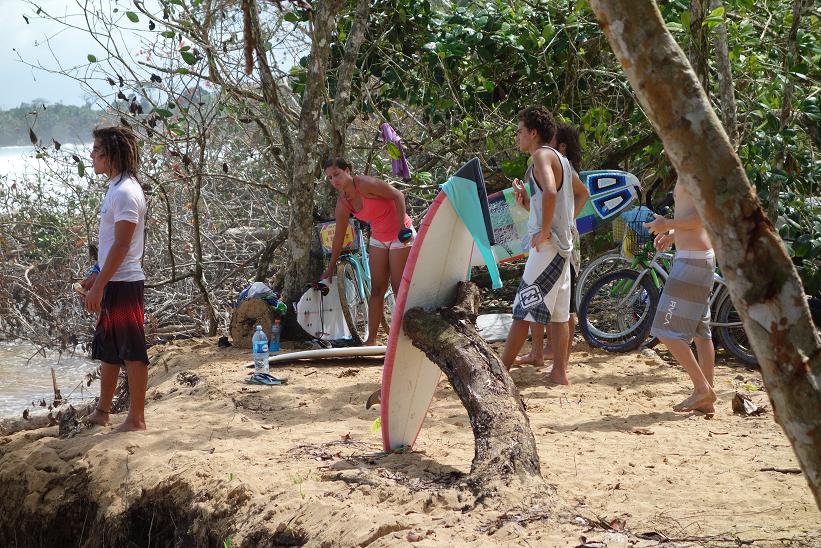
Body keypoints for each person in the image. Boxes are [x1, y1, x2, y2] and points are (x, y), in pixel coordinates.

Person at [500, 108, 589, 385]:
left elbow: (551, 192)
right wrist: (527, 204)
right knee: (560, 315)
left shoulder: (540, 155)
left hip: (550, 246)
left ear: (533, 133)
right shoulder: (561, 159)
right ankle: (559, 373)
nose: (517, 136)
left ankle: (500, 371)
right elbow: (580, 193)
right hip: (563, 245)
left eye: (519, 131)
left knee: (522, 307)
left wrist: (545, 230)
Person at [83, 126, 150, 432]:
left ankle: (136, 419)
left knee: (132, 350)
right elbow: (112, 244)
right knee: (109, 349)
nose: (92, 155)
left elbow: (123, 245)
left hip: (124, 284)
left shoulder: (125, 192)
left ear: (111, 155)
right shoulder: (115, 186)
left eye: (96, 150)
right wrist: (96, 274)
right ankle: (102, 411)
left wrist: (99, 286)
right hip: (112, 281)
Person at [321, 158, 414, 346]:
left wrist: (401, 229)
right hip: (379, 237)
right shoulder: (343, 203)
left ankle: (406, 338)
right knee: (377, 289)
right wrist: (330, 267)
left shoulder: (363, 183)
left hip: (400, 233)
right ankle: (371, 340)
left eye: (337, 174)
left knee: (399, 288)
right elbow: (338, 237)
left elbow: (398, 196)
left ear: (347, 171)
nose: (334, 181)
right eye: (330, 178)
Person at [645, 182, 717, 415]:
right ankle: (705, 399)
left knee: (665, 330)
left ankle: (702, 389)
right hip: (695, 257)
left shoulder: (694, 167)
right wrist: (673, 235)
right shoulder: (690, 165)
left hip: (693, 262)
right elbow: (692, 217)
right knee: (701, 333)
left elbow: (704, 216)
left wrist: (667, 224)